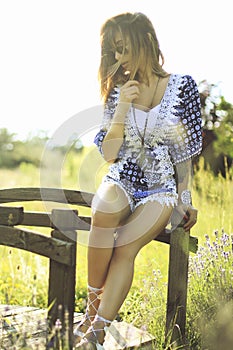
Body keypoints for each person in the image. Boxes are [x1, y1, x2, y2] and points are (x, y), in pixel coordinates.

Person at [74, 12, 202, 349]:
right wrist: (120, 109)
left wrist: (184, 199)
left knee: (125, 247)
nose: (118, 58)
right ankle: (91, 311)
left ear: (144, 39)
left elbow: (184, 151)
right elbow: (110, 155)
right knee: (102, 214)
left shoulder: (182, 86)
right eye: (113, 51)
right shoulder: (117, 89)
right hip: (123, 175)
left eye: (122, 48)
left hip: (161, 185)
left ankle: (97, 331)